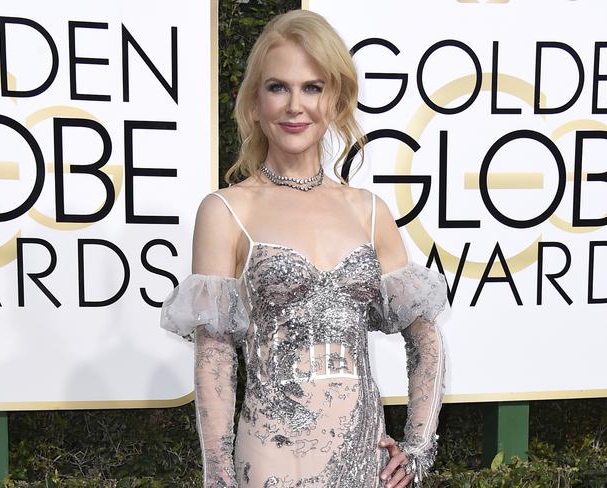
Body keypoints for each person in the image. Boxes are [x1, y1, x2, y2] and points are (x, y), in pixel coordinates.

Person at [160, 9, 447, 488]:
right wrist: (219, 477)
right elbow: (214, 358)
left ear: (334, 100)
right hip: (272, 466)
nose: (296, 105)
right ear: (254, 103)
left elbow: (427, 340)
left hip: (365, 466)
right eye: (278, 87)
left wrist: (417, 449)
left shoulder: (369, 211)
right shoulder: (226, 211)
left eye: (312, 87)